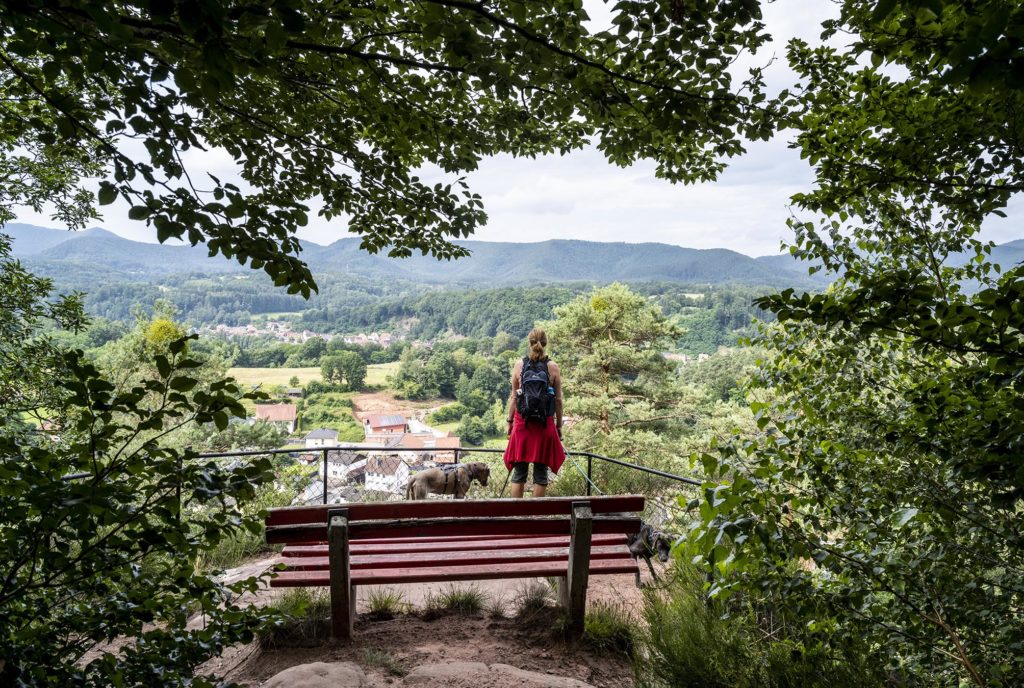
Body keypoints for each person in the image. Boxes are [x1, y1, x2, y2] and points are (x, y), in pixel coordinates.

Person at [503, 327, 565, 497]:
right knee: (541, 474)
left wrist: (510, 422)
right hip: (544, 425)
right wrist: (559, 427)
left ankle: (517, 517)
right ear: (545, 343)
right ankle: (535, 517)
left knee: (519, 473)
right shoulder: (553, 367)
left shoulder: (519, 365)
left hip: (523, 424)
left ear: (529, 343)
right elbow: (558, 401)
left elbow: (514, 398)